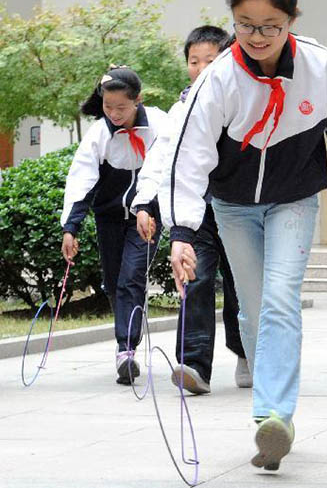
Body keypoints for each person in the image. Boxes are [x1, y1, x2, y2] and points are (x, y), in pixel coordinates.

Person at [159, 0, 327, 471]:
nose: (257, 36)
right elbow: (189, 157)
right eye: (245, 25)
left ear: (292, 20)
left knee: (280, 300)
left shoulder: (322, 67)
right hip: (232, 205)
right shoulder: (219, 78)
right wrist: (181, 232)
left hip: (295, 200)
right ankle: (270, 407)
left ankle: (274, 415)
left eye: (270, 26)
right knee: (252, 307)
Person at [133, 25, 250, 395]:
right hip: (195, 213)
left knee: (241, 287)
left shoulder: (243, 103)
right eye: (193, 61)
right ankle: (194, 364)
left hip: (240, 210)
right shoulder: (181, 108)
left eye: (209, 61)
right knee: (195, 279)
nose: (200, 69)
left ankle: (246, 353)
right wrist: (145, 202)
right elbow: (163, 158)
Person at [60, 66, 169, 385]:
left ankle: (126, 350)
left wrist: (147, 207)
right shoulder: (99, 134)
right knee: (113, 282)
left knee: (131, 276)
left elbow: (165, 169)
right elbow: (82, 180)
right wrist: (70, 228)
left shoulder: (160, 124)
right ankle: (128, 327)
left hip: (146, 218)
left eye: (121, 107)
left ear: (138, 100)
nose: (114, 113)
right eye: (108, 107)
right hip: (108, 219)